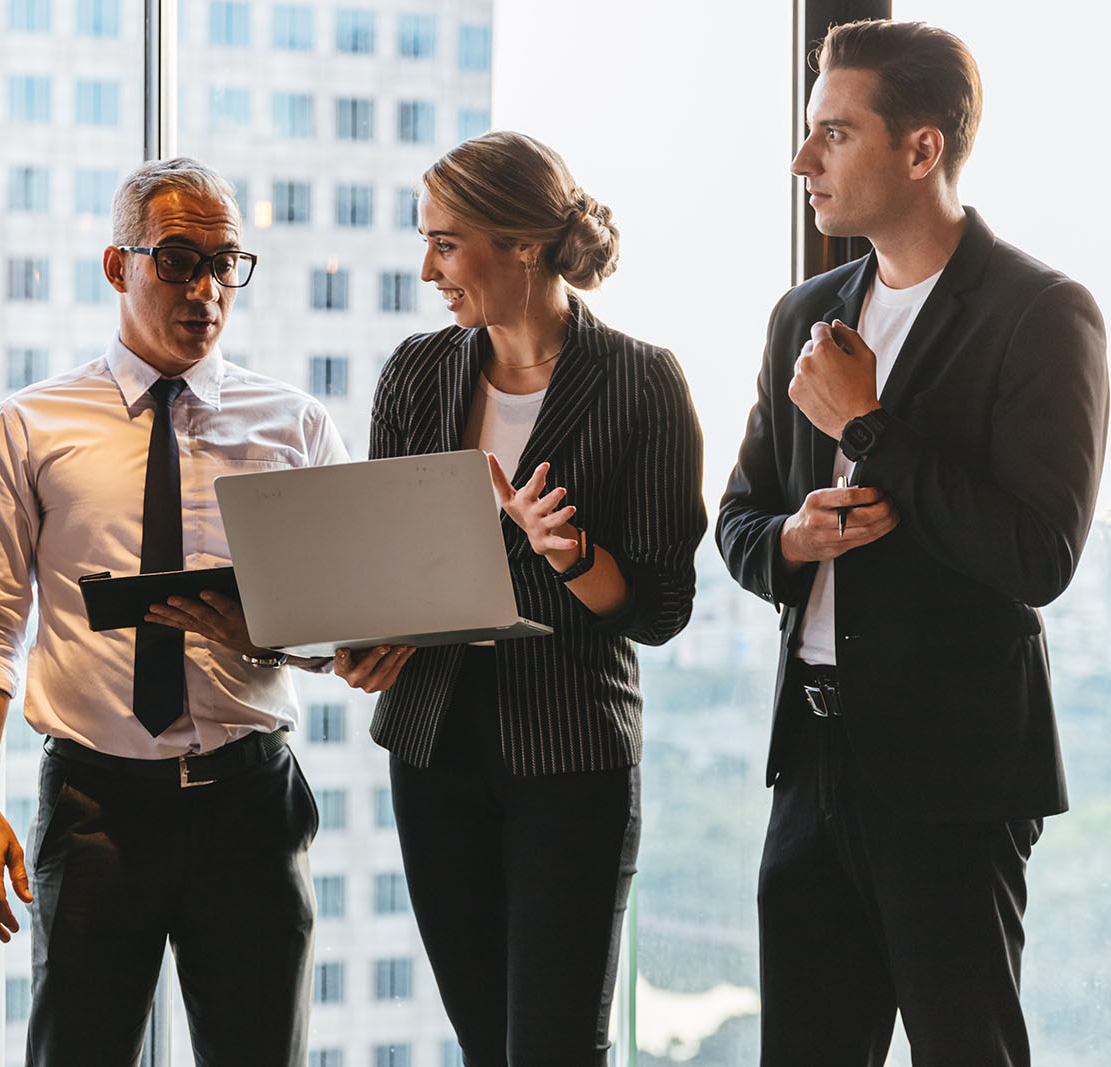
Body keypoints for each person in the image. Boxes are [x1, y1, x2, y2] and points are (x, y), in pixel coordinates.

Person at [718, 19, 1108, 1065]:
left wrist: (867, 428)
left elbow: (1039, 552)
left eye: (834, 135)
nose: (804, 161)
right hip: (809, 759)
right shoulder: (801, 311)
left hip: (956, 772)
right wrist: (792, 541)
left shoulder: (1043, 312)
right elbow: (739, 519)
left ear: (921, 148)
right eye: (809, 132)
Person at [0, 156, 347, 1067]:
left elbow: (342, 629)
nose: (205, 288)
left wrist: (276, 635)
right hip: (95, 805)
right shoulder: (30, 426)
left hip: (250, 803)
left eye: (226, 264)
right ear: (117, 265)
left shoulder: (295, 426)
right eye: (178, 259)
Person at [335, 130, 707, 1066]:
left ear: (524, 245)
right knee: (484, 1043)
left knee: (555, 1048)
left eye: (446, 243)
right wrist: (364, 641)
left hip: (570, 754)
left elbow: (659, 608)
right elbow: (391, 567)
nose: (428, 269)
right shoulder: (417, 373)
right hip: (433, 747)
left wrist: (575, 555)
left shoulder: (642, 382)